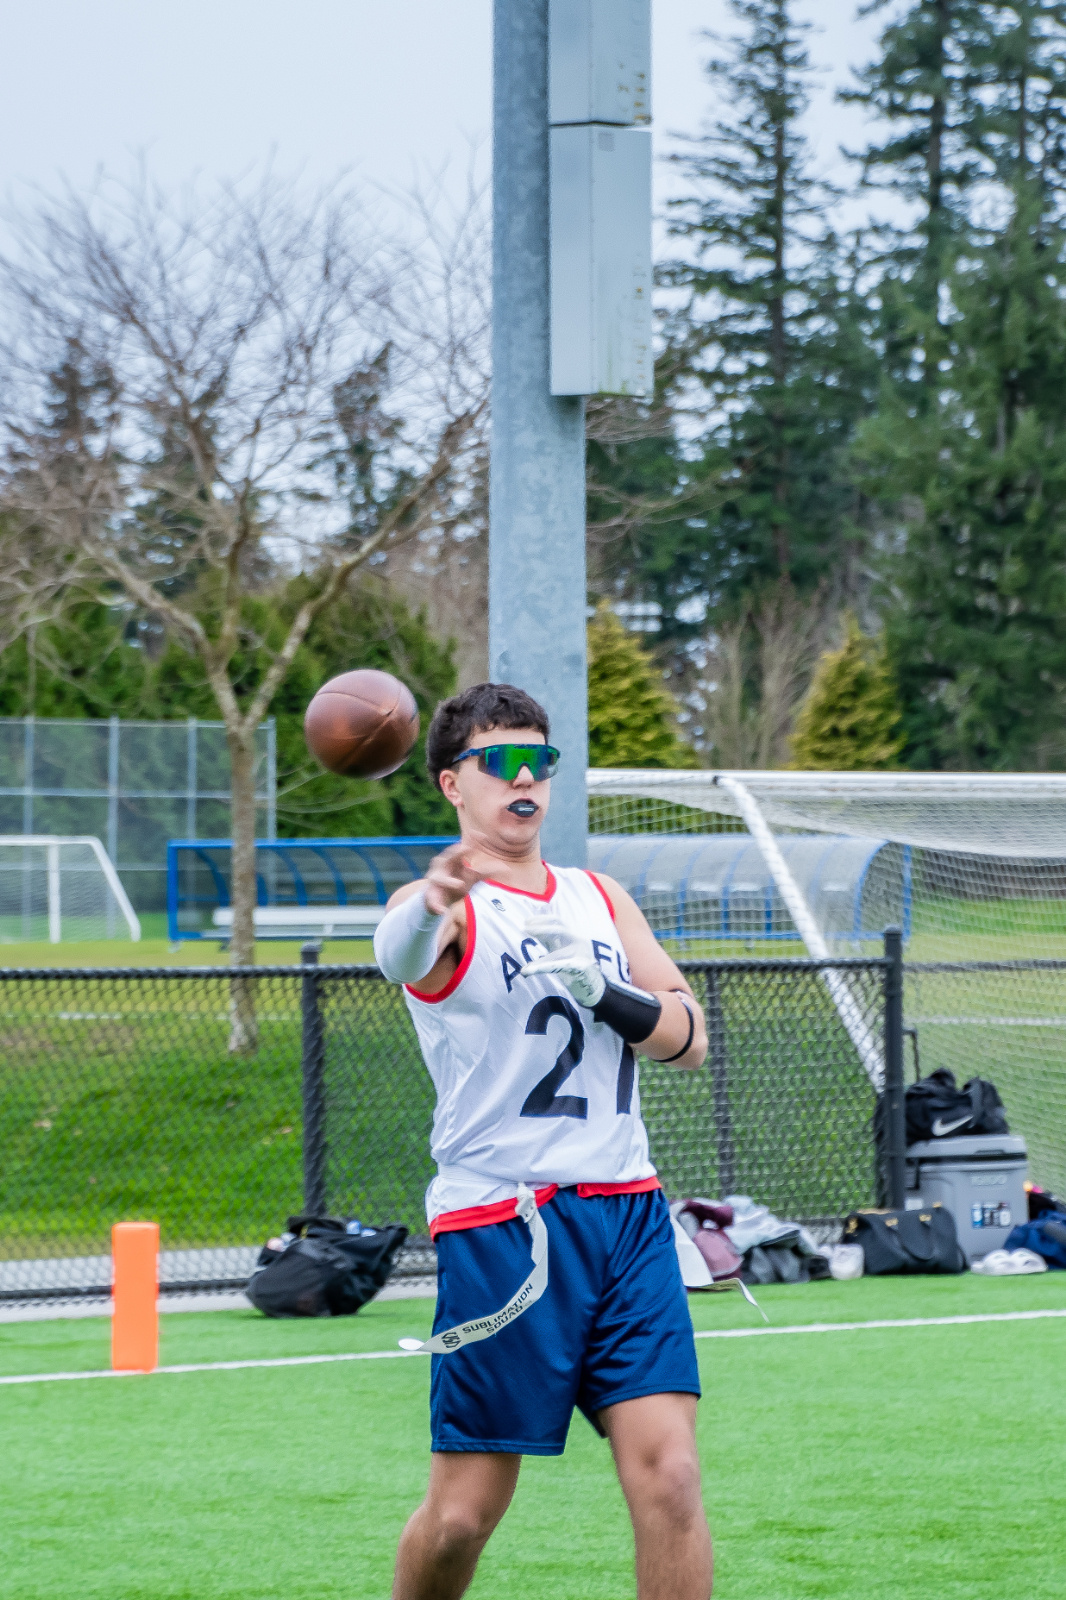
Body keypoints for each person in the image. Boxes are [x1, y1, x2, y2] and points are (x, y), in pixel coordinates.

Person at [373, 682, 712, 1600]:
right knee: (461, 1517)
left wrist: (614, 996)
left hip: (627, 1216)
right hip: (505, 1225)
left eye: (540, 761)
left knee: (672, 1477)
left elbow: (689, 1037)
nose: (524, 779)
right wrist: (432, 898)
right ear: (454, 783)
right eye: (500, 762)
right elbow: (399, 953)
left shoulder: (601, 897)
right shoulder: (444, 904)